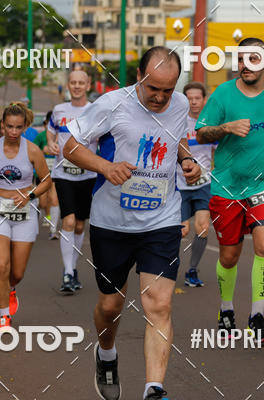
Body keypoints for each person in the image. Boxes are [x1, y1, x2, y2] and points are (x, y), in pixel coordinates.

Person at [63, 46, 201, 400]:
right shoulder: (112, 104)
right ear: (139, 76)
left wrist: (186, 160)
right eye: (153, 88)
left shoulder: (180, 105)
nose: (160, 97)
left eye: (167, 90)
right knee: (111, 305)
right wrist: (105, 167)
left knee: (159, 304)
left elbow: (176, 138)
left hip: (161, 219)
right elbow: (70, 146)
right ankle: (106, 353)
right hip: (112, 222)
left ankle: (154, 389)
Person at [195, 37, 264, 340]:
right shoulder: (223, 93)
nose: (245, 65)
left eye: (253, 58)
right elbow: (201, 134)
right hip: (227, 186)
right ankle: (226, 309)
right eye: (241, 59)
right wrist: (226, 128)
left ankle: (257, 315)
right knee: (229, 256)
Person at [0, 102, 51, 331]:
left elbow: (47, 180)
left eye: (18, 127)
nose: (13, 132)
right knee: (2, 265)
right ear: (3, 125)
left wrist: (30, 195)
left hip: (24, 210)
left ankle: (11, 288)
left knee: (16, 273)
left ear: (25, 127)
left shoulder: (32, 151)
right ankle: (4, 317)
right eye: (9, 126)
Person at [46, 70, 96, 294]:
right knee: (68, 221)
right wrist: (51, 144)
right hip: (63, 174)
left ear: (88, 85)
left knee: (79, 225)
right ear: (68, 85)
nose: (76, 86)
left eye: (80, 83)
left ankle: (73, 269)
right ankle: (67, 273)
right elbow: (51, 132)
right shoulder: (59, 110)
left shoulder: (95, 110)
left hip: (88, 175)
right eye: (73, 82)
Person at [176, 82, 215, 287]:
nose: (193, 102)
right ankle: (168, 266)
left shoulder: (210, 125)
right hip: (179, 186)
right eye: (189, 98)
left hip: (203, 185)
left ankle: (192, 270)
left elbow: (218, 152)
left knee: (202, 227)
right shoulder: (178, 122)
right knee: (181, 230)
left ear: (204, 100)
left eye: (197, 98)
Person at [33, 111, 60, 240]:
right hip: (42, 173)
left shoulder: (62, 136)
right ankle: (39, 213)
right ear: (45, 124)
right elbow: (32, 151)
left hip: (56, 173)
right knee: (43, 201)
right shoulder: (41, 136)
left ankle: (52, 229)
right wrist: (41, 151)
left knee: (53, 199)